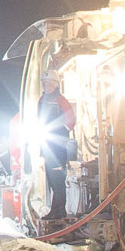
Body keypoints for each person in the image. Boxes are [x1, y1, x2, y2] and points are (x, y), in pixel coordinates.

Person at [38, 65, 77, 225]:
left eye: (49, 83)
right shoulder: (42, 100)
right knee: (52, 179)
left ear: (55, 84)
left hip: (57, 146)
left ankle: (59, 211)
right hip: (46, 145)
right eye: (44, 83)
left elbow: (71, 120)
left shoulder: (61, 101)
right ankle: (55, 210)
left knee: (58, 179)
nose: (46, 86)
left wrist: (60, 132)